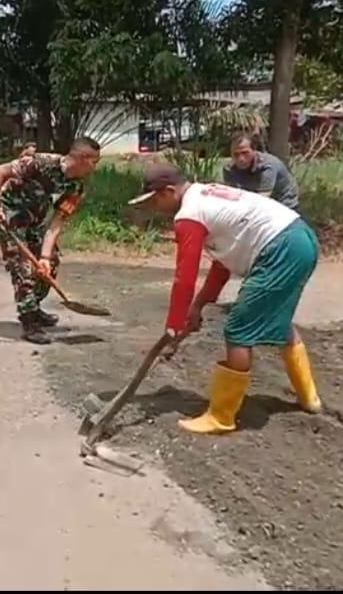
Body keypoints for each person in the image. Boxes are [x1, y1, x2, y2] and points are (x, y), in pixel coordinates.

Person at [127, 163, 322, 434]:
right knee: (277, 317)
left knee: (238, 329)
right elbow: (223, 263)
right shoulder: (204, 196)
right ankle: (308, 398)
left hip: (281, 249)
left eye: (154, 199)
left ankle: (221, 417)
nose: (154, 207)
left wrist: (173, 326)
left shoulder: (189, 215)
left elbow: (184, 278)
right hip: (300, 239)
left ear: (169, 191)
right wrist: (197, 307)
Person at [0, 137, 102, 344]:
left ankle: (32, 305)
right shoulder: (41, 163)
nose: (96, 167)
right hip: (10, 215)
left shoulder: (76, 187)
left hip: (35, 219)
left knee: (50, 264)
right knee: (23, 267)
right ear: (83, 158)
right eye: (95, 161)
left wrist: (46, 257)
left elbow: (57, 221)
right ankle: (29, 322)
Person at [223, 132, 300, 213]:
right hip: (254, 203)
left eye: (245, 153)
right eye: (236, 154)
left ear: (254, 150)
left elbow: (262, 201)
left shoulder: (268, 166)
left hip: (284, 205)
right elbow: (232, 197)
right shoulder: (229, 169)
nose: (241, 159)